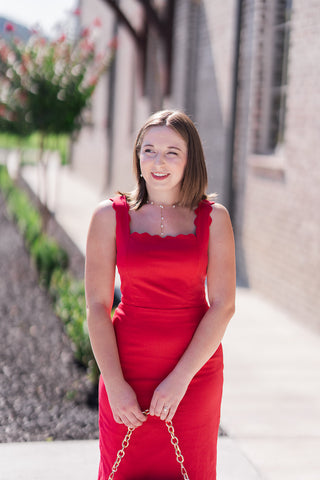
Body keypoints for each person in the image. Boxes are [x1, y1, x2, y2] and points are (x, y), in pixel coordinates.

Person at [85, 110, 236, 480]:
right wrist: (116, 385)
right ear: (137, 155)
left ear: (190, 159)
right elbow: (97, 306)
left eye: (172, 152)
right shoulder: (109, 216)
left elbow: (223, 306)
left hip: (194, 374)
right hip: (126, 370)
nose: (158, 162)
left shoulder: (214, 219)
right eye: (149, 150)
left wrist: (180, 378)